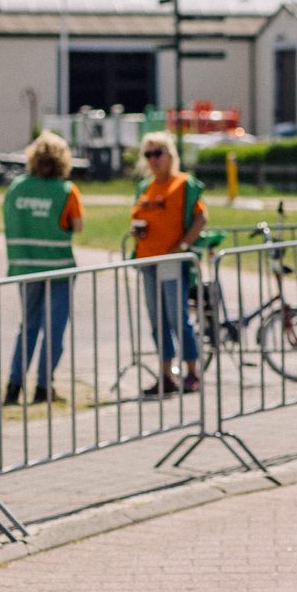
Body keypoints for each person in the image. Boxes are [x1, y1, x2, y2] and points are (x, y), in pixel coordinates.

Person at [2, 131, 86, 402]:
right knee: (54, 329)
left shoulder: (16, 187)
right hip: (57, 267)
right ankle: (43, 385)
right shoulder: (66, 190)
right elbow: (78, 226)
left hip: (24, 267)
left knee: (28, 326)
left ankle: (14, 386)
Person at [125, 130, 208, 395]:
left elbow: (201, 218)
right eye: (148, 154)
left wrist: (183, 245)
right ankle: (165, 374)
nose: (153, 159)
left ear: (170, 155)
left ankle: (192, 372)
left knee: (177, 317)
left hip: (172, 260)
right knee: (157, 320)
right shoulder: (145, 187)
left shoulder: (183, 184)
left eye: (157, 153)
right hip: (149, 260)